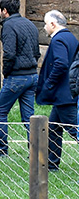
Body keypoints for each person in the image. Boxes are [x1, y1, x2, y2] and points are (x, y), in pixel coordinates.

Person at [0, 0, 40, 158]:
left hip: (16, 77)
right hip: (32, 76)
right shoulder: (30, 24)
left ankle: (1, 149)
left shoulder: (8, 26)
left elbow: (9, 54)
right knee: (29, 117)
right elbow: (36, 52)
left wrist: (6, 73)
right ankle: (35, 151)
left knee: (0, 111)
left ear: (4, 11)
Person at [39, 10, 78, 171]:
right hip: (68, 92)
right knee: (54, 127)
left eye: (46, 24)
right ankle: (52, 164)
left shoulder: (58, 39)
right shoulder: (71, 38)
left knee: (75, 129)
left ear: (53, 24)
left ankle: (52, 163)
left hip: (64, 94)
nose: (44, 27)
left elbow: (61, 64)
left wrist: (49, 84)